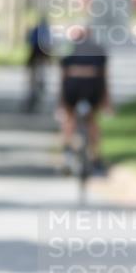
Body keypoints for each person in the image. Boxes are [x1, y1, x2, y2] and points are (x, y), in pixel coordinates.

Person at [58, 25, 110, 174]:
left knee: (69, 119)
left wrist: (61, 101)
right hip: (93, 87)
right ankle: (96, 158)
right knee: (92, 121)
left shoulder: (68, 49)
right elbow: (104, 76)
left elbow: (63, 76)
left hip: (72, 87)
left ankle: (67, 153)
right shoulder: (98, 49)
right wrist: (106, 100)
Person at [23, 16, 50, 113]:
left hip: (36, 52)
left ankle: (34, 85)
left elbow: (31, 42)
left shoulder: (37, 30)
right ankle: (37, 84)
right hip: (39, 52)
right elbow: (47, 42)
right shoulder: (45, 30)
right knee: (38, 70)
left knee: (34, 71)